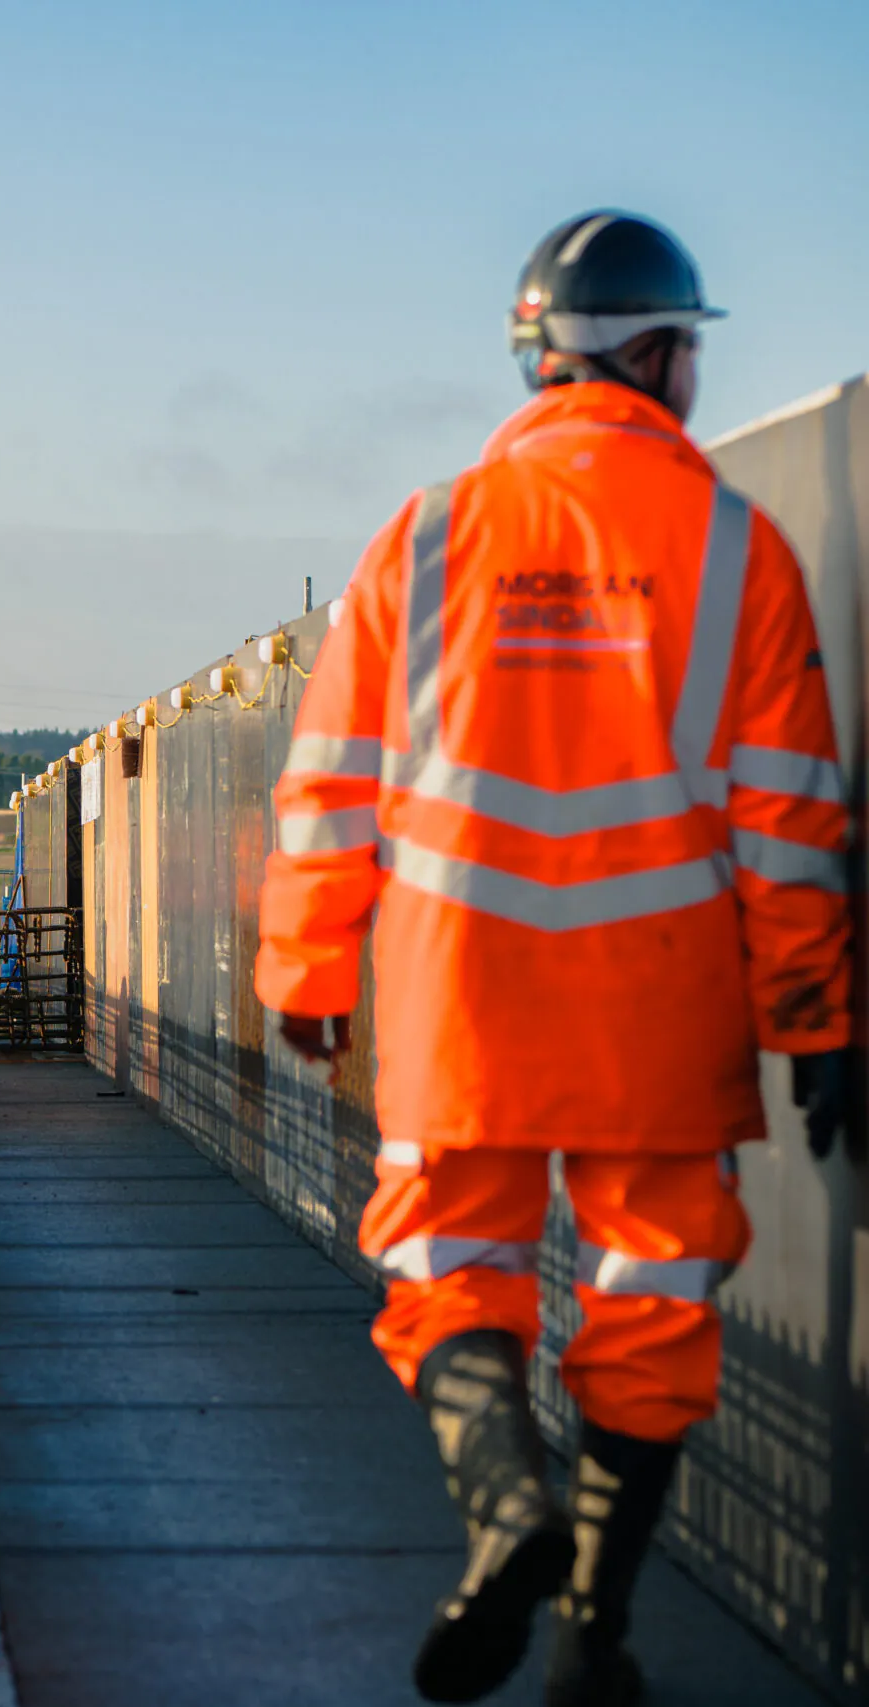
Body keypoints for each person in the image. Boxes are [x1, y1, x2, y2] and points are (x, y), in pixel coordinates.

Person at [253, 211, 852, 1707]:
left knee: (451, 1259)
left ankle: (504, 1511)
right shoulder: (736, 545)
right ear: (650, 351)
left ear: (541, 355)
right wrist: (819, 1015)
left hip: (464, 993)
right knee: (652, 1296)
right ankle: (595, 1620)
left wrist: (309, 972)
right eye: (688, 343)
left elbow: (331, 783)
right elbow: (790, 823)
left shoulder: (430, 533)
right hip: (661, 1001)